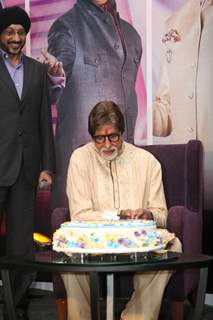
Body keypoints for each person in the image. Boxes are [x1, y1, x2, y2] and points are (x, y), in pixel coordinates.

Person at [63, 100, 182, 320]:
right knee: (68, 251)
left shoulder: (148, 162)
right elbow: (79, 214)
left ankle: (135, 317)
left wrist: (148, 215)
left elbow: (161, 214)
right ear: (92, 137)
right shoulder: (80, 159)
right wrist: (118, 217)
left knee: (172, 246)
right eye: (100, 138)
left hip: (136, 241)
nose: (107, 144)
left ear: (122, 133)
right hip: (93, 240)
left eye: (113, 137)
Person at [47, 0, 142, 208]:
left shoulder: (132, 35)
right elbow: (53, 84)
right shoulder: (67, 27)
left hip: (124, 161)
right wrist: (54, 76)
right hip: (84, 168)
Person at [0, 6, 55, 319]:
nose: (15, 38)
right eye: (9, 32)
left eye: (20, 32)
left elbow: (44, 120)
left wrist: (46, 165)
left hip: (26, 168)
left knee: (22, 243)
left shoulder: (37, 71)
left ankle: (16, 303)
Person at [153, 0, 213, 210]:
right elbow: (165, 106)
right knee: (191, 239)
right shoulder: (174, 22)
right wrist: (127, 114)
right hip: (185, 170)